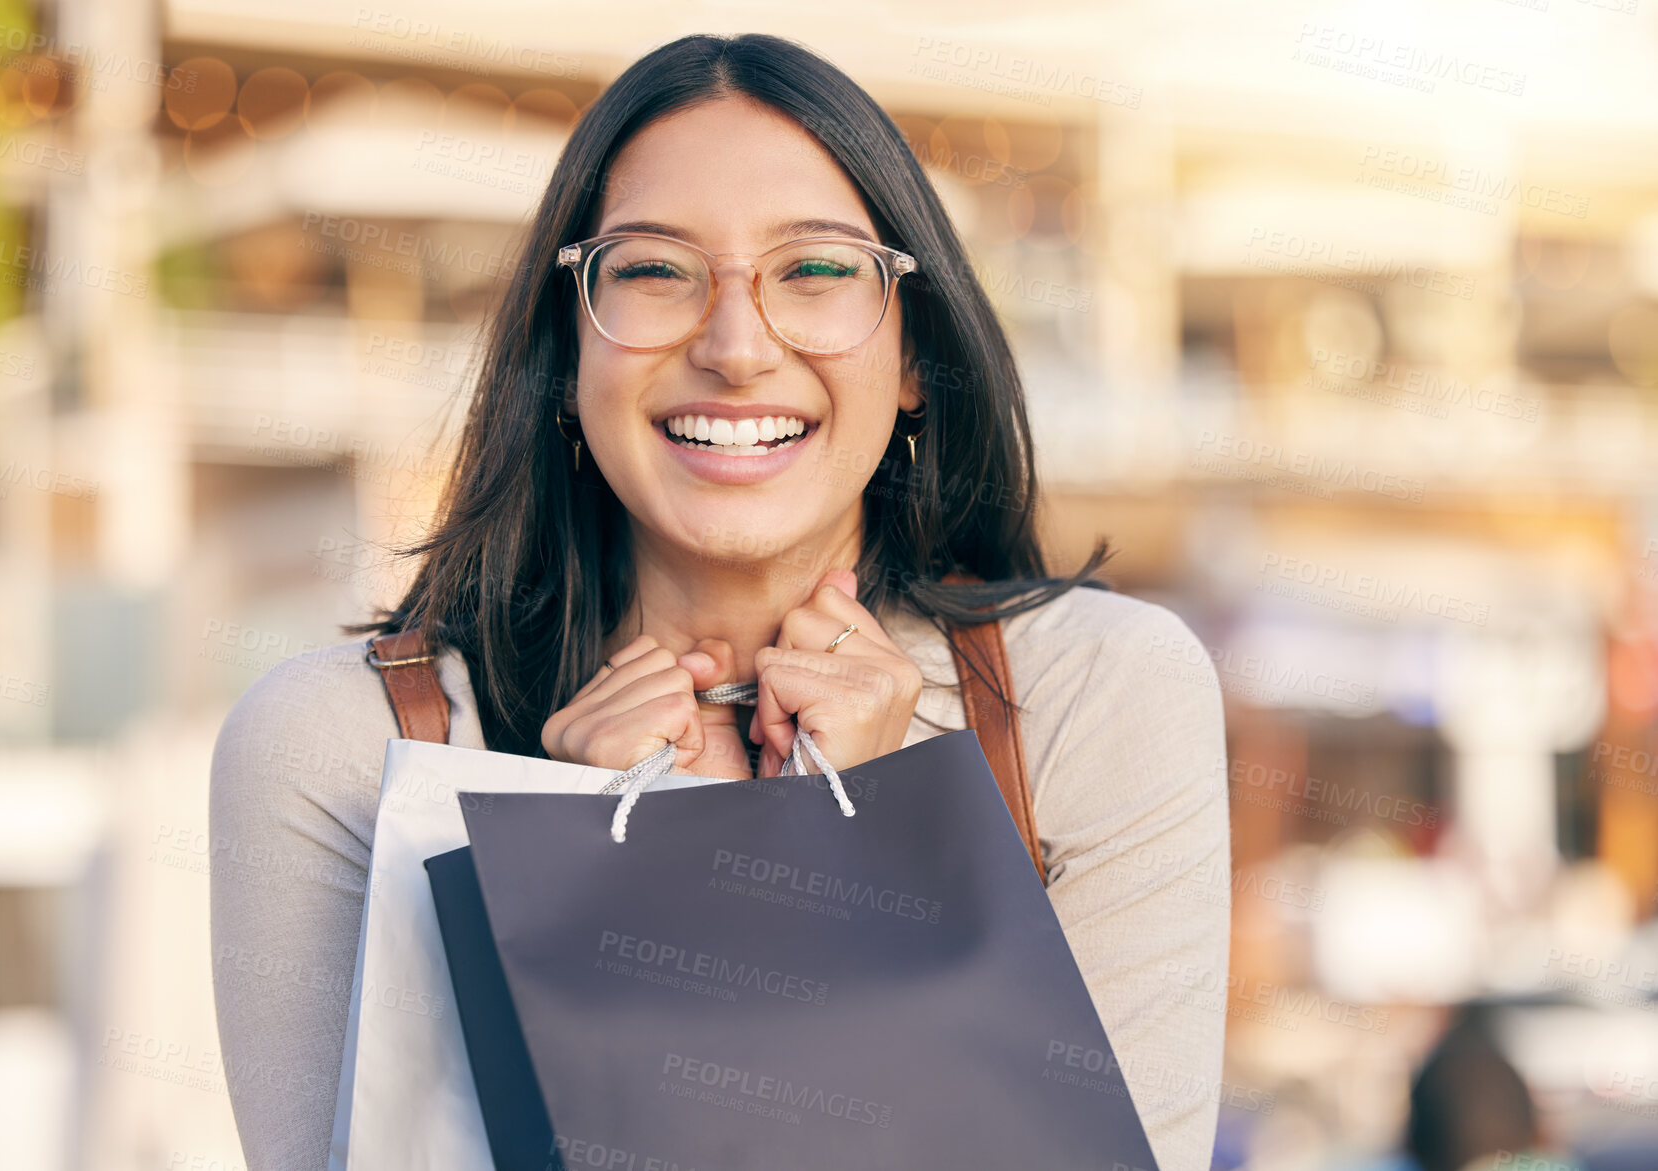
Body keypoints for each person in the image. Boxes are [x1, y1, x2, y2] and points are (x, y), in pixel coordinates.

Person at [209, 32, 1230, 1170]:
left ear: (909, 359)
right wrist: (596, 892)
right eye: (652, 271)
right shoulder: (343, 750)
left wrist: (884, 846)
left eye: (816, 270)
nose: (737, 347)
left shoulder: (1094, 697)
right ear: (566, 355)